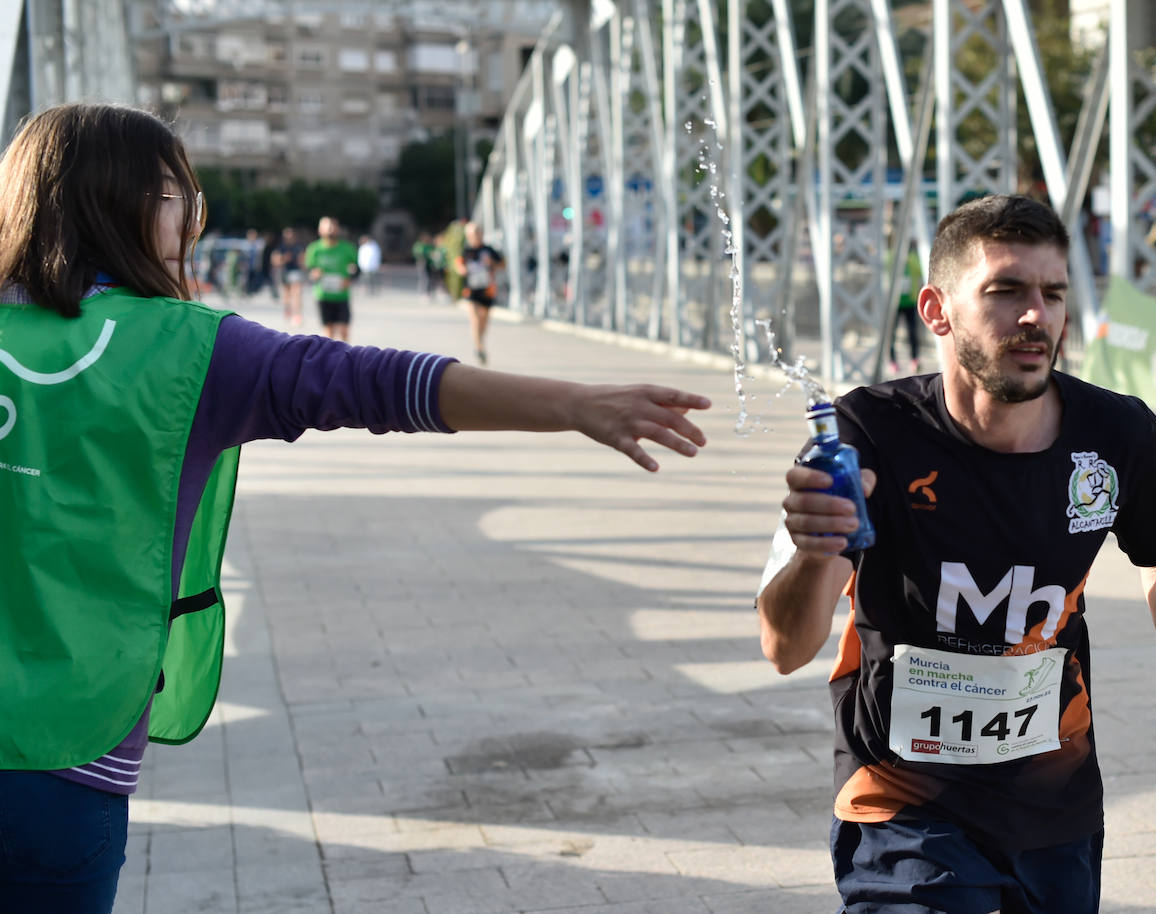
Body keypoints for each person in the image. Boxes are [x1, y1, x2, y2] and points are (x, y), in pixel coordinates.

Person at [0, 102, 712, 914]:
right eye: (175, 195)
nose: (188, 221)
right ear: (116, 200)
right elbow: (378, 383)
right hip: (67, 752)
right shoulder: (192, 349)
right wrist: (576, 404)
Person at [756, 194, 1156, 914]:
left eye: (1052, 294)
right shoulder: (865, 436)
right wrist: (812, 550)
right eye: (1005, 291)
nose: (1035, 316)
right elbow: (783, 647)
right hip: (903, 800)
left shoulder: (1118, 436)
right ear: (936, 310)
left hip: (1054, 802)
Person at [453, 222, 505, 366]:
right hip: (472, 290)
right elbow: (458, 264)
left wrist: (492, 264)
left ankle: (480, 341)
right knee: (475, 319)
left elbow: (502, 264)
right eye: (472, 234)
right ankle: (479, 347)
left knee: (484, 320)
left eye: (477, 233)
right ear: (468, 236)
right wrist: (462, 269)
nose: (475, 236)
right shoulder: (466, 251)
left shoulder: (489, 250)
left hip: (487, 289)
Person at [304, 216, 359, 341]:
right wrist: (314, 274)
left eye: (333, 227)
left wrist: (350, 278)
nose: (330, 230)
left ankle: (346, 357)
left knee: (344, 330)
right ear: (320, 230)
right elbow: (309, 269)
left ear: (338, 229)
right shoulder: (314, 249)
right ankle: (331, 359)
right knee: (329, 331)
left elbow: (357, 269)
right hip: (323, 295)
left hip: (341, 295)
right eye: (327, 227)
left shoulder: (347, 248)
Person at [887, 246, 922, 376]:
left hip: (910, 302)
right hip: (894, 304)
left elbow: (921, 269)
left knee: (912, 332)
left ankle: (914, 359)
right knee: (891, 334)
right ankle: (892, 361)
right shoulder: (890, 256)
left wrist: (908, 259)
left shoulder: (912, 258)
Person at [272, 226, 306, 327]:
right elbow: (275, 261)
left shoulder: (298, 246)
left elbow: (303, 260)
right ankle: (288, 309)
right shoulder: (280, 247)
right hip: (285, 271)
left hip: (296, 272)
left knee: (296, 292)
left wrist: (302, 261)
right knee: (287, 294)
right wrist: (284, 259)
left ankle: (297, 314)